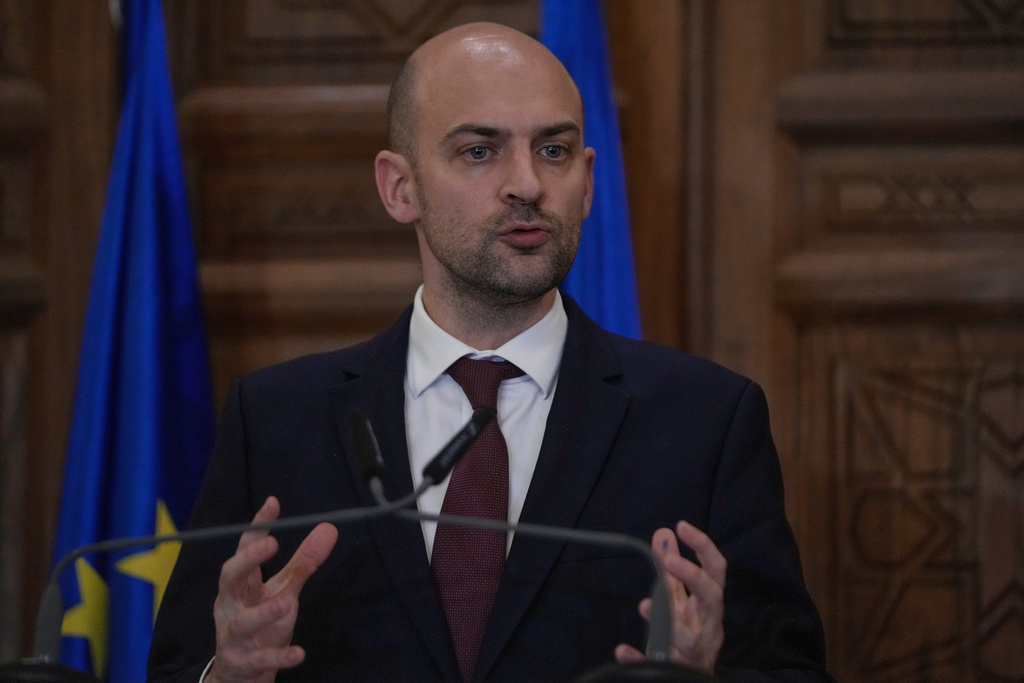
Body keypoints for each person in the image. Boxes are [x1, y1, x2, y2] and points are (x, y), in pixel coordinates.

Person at [148, 22, 833, 683]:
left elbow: (789, 666)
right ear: (399, 187)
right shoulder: (275, 420)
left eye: (555, 151)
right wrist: (229, 673)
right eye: (480, 150)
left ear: (589, 181)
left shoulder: (704, 421)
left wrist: (700, 679)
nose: (528, 184)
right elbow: (177, 664)